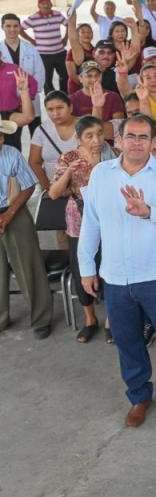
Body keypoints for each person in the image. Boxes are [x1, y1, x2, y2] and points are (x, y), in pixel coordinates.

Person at [77, 114, 156, 427]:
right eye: (131, 136)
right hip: (115, 276)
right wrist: (87, 267)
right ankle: (139, 396)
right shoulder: (101, 174)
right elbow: (91, 223)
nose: (137, 142)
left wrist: (147, 211)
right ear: (118, 141)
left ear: (153, 142)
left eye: (144, 137)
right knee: (128, 342)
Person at [48, 116, 116, 343]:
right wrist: (69, 172)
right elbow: (54, 193)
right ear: (78, 138)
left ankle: (110, 320)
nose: (96, 140)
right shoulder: (69, 158)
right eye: (89, 136)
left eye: (99, 133)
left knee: (109, 270)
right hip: (79, 223)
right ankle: (90, 319)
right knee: (81, 271)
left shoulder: (113, 154)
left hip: (109, 222)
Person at [0, 118, 51, 339]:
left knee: (28, 265)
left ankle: (41, 320)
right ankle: (1, 319)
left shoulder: (11, 154)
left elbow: (29, 185)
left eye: (0, 136)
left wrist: (9, 214)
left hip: (15, 210)